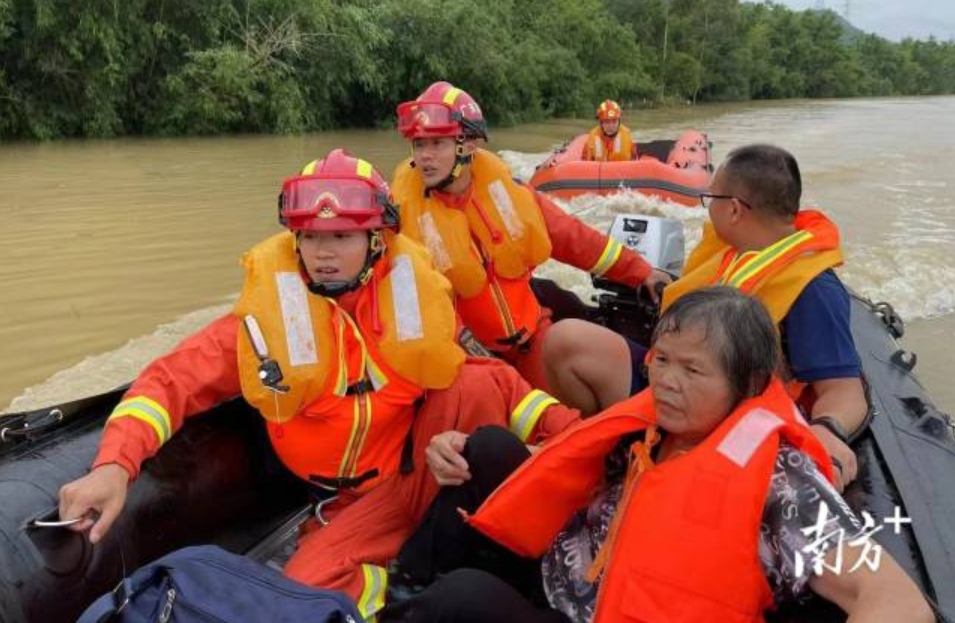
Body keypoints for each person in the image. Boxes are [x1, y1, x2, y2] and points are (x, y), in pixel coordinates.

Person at [57, 149, 581, 621]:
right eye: (310, 236)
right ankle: (411, 583)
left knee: (475, 380)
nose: (323, 252)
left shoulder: (410, 305)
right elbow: (168, 381)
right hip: (354, 504)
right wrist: (114, 466)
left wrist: (568, 435)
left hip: (421, 462)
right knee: (304, 591)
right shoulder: (264, 327)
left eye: (341, 236)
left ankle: (553, 484)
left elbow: (493, 383)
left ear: (377, 241)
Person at [380, 287, 935, 623]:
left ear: (750, 383)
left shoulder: (779, 482)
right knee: (487, 448)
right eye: (662, 359)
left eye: (692, 370)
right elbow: (567, 461)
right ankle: (401, 588)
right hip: (572, 571)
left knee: (459, 601)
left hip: (599, 613)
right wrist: (450, 448)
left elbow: (894, 599)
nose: (666, 381)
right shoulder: (652, 425)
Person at [543, 144, 867, 492]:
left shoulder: (813, 288)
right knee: (566, 343)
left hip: (727, 415)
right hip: (677, 380)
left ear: (734, 210)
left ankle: (652, 460)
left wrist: (828, 431)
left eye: (711, 197)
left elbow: (845, 391)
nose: (707, 206)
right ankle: (617, 456)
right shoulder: (735, 250)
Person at [390, 81, 669, 389]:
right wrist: (475, 355)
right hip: (470, 359)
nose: (425, 156)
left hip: (532, 336)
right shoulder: (402, 220)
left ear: (469, 145)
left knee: (586, 356)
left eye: (437, 143)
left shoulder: (509, 192)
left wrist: (640, 271)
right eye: (419, 144)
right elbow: (415, 310)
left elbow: (572, 238)